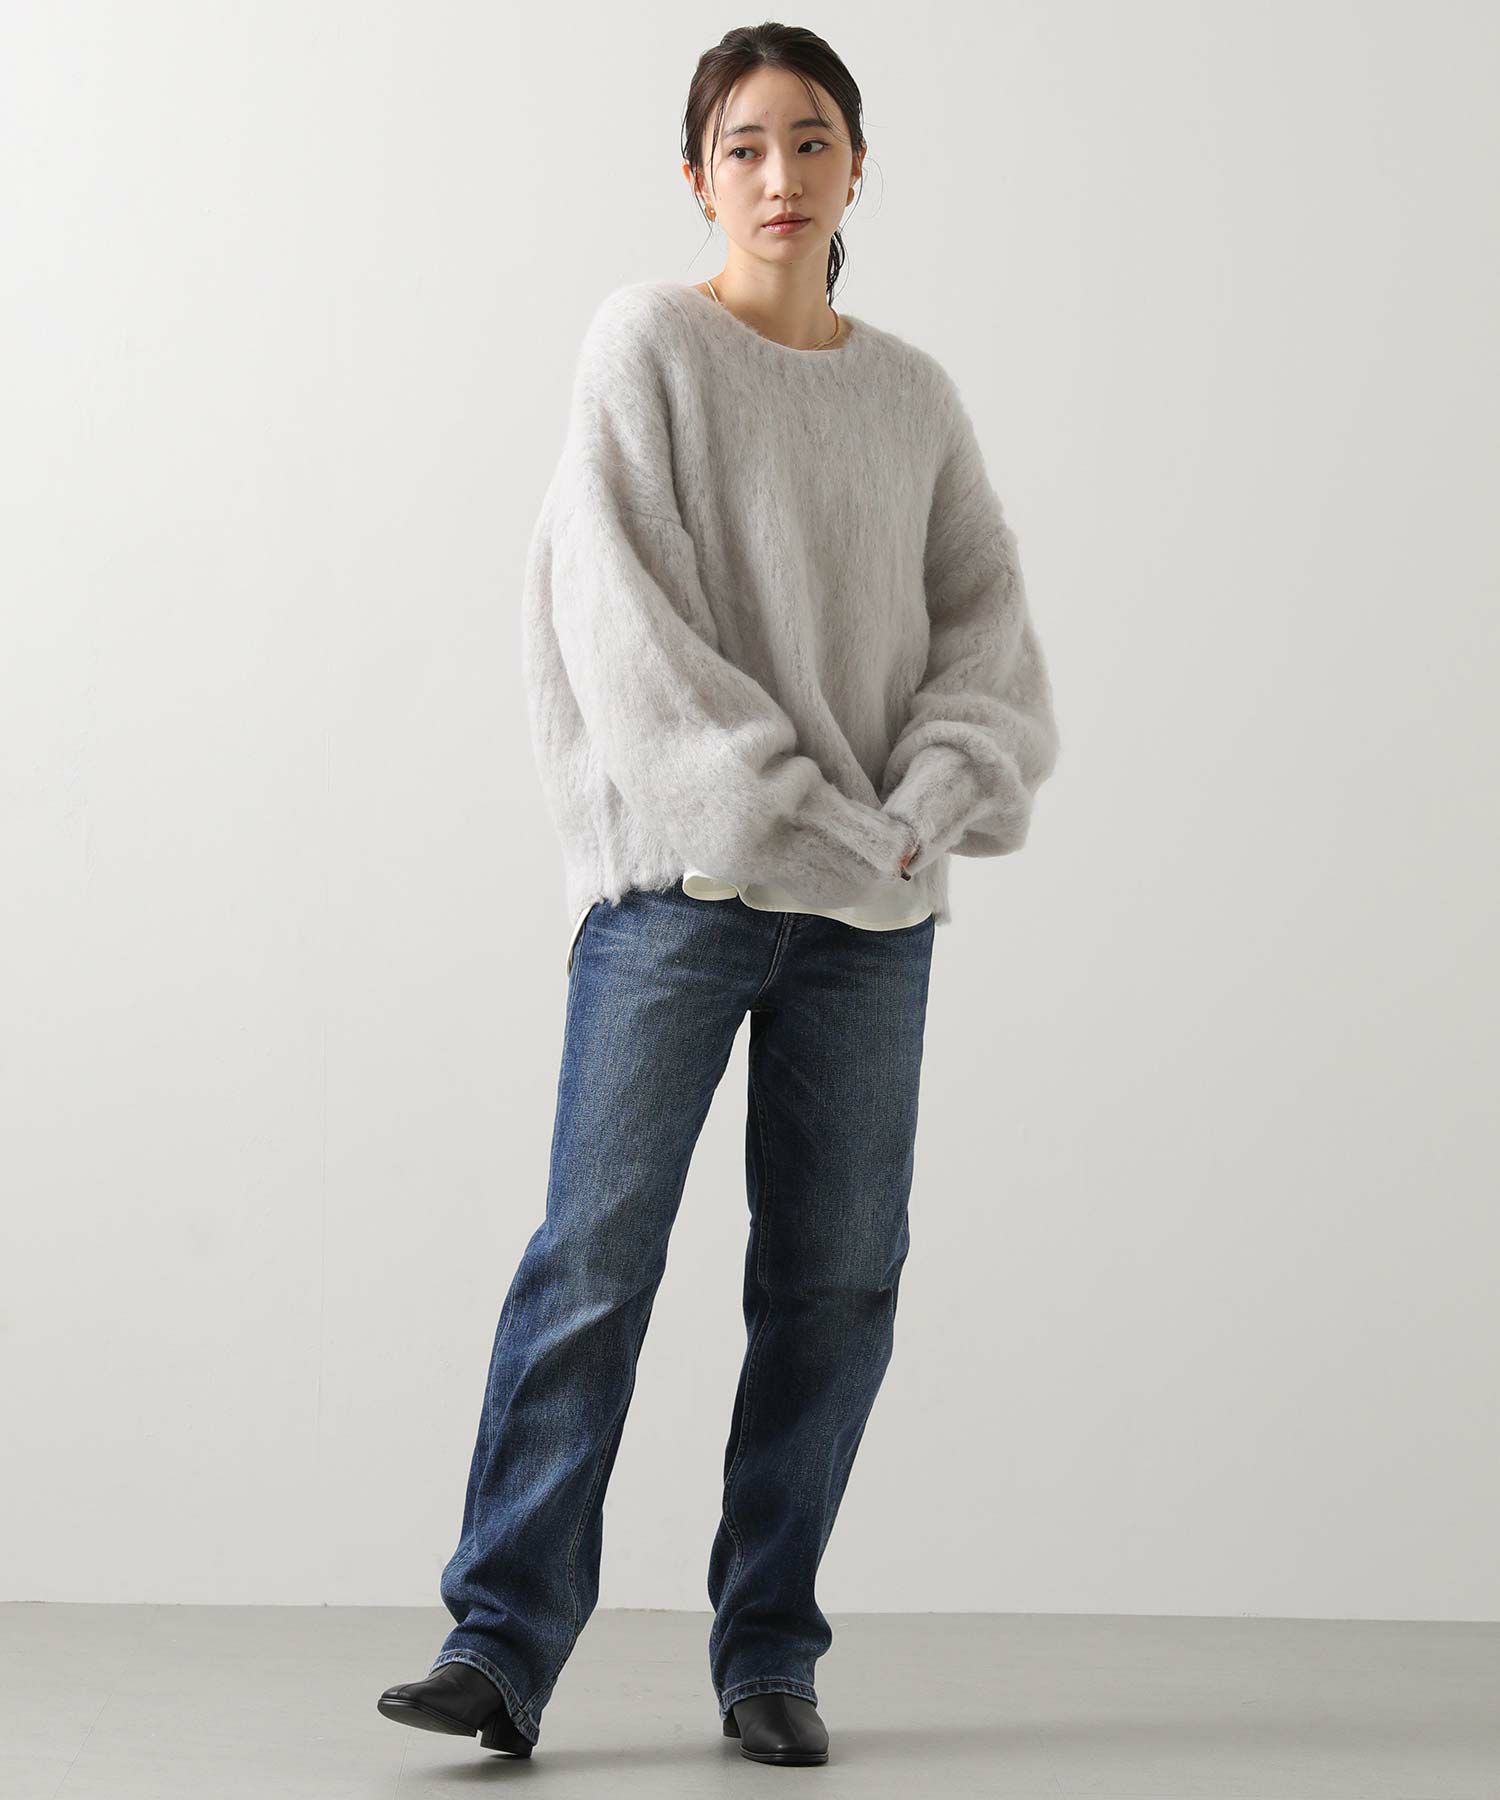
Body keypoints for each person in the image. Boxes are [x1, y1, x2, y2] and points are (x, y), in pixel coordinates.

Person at [377, 22, 1060, 1768]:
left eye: (811, 140)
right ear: (697, 176)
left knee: (836, 1284)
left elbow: (986, 635)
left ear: (856, 168)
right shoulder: (648, 345)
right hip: (680, 892)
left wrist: (919, 803)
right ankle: (500, 1645)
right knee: (594, 1261)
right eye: (744, 146)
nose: (779, 175)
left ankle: (770, 1655)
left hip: (872, 915)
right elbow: (623, 626)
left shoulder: (913, 398)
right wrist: (794, 807)